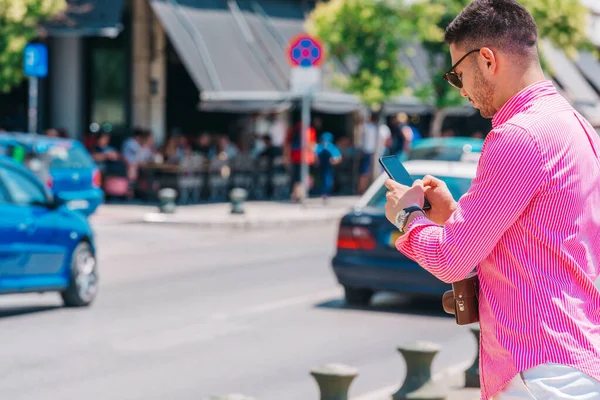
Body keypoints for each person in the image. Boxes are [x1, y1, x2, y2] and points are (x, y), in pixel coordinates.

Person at [382, 1, 600, 399]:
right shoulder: (577, 126)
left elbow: (451, 260)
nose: (460, 89)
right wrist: (453, 216)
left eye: (457, 74)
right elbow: (544, 240)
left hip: (537, 370)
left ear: (486, 59)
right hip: (573, 356)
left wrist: (407, 217)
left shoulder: (517, 135)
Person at [358, 112, 391, 194]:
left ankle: (363, 190)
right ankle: (375, 191)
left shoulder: (366, 127)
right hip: (379, 152)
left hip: (369, 151)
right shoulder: (383, 128)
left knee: (366, 172)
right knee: (379, 172)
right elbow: (388, 141)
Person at [315, 132, 341, 203]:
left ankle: (325, 194)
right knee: (323, 180)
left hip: (328, 167)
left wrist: (334, 161)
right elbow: (315, 156)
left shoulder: (331, 147)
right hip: (322, 167)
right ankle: (323, 193)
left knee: (328, 181)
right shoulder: (320, 147)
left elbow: (338, 157)